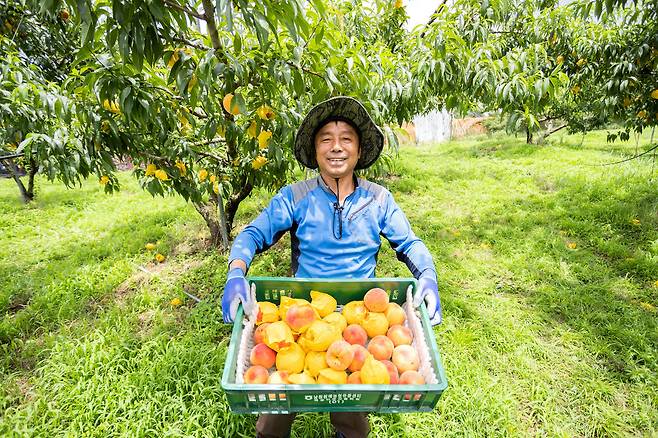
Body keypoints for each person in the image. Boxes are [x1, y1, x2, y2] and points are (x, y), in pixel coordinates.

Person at [222, 96, 441, 438]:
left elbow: (409, 243)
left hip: (362, 319)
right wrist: (236, 271)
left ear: (358, 150)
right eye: (326, 138)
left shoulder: (378, 199)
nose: (336, 147)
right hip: (301, 318)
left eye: (346, 139)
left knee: (352, 409)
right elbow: (253, 234)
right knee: (276, 409)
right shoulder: (296, 196)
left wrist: (427, 273)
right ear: (315, 150)